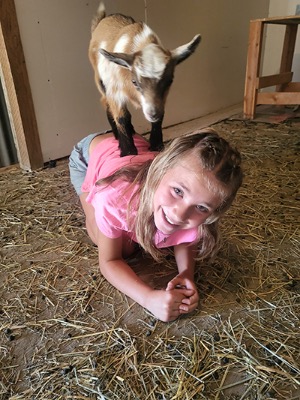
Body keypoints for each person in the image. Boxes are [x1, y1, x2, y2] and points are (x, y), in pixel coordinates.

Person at [69, 128, 243, 322]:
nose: (180, 213)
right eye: (177, 191)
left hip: (137, 145)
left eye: (201, 207)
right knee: (113, 243)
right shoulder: (114, 195)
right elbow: (109, 261)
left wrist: (186, 274)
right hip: (89, 153)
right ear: (159, 171)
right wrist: (148, 298)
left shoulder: (193, 203)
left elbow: (186, 237)